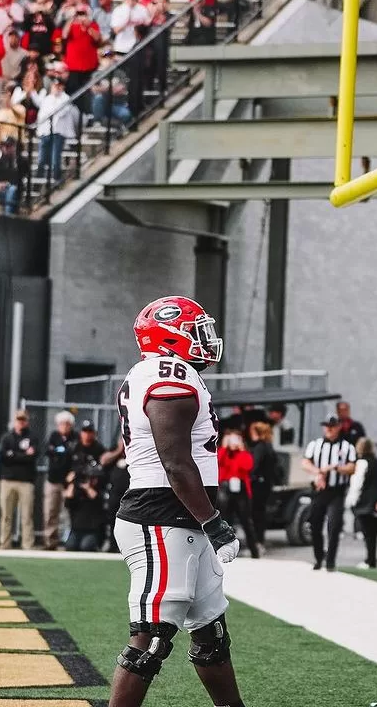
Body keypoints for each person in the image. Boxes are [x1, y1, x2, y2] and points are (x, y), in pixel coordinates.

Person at [110, 295, 246, 707]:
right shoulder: (169, 374)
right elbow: (175, 461)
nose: (205, 338)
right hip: (162, 515)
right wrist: (214, 522)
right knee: (150, 638)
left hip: (177, 515)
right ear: (170, 337)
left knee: (210, 633)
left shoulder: (164, 371)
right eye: (196, 330)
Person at [302, 414, 356, 571]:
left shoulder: (347, 447)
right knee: (314, 523)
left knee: (334, 525)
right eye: (327, 426)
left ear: (338, 427)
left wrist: (335, 467)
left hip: (336, 492)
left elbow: (352, 468)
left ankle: (331, 560)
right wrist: (318, 472)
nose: (329, 429)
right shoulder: (315, 445)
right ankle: (319, 557)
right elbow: (305, 462)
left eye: (332, 426)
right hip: (319, 490)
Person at [63, 421, 107, 551]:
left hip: (93, 492)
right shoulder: (74, 448)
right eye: (84, 432)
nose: (87, 435)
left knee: (86, 546)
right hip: (76, 494)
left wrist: (90, 486)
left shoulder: (99, 450)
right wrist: (70, 482)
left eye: (90, 432)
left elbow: (102, 473)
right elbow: (65, 470)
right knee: (71, 546)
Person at [0, 408, 36, 549]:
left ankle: (28, 546)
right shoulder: (7, 437)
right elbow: (3, 456)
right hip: (7, 480)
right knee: (6, 515)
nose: (21, 423)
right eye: (18, 420)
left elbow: (32, 456)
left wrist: (14, 454)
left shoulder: (32, 437)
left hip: (26, 481)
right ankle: (5, 544)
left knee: (26, 516)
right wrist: (23, 455)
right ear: (15, 421)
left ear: (27, 421)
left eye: (23, 420)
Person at [216, 430, 259, 559]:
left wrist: (241, 449)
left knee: (246, 521)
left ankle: (254, 551)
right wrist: (224, 445)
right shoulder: (223, 453)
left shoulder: (244, 454)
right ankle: (224, 549)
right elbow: (217, 461)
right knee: (225, 520)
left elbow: (247, 466)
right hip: (225, 489)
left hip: (240, 491)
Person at [43, 409, 77, 550]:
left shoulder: (75, 438)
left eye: (67, 424)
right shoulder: (54, 436)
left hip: (68, 482)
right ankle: (50, 542)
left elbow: (73, 456)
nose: (64, 426)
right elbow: (49, 452)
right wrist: (61, 452)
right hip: (53, 480)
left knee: (67, 513)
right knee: (50, 512)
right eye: (61, 424)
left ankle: (66, 540)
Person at [351, 436, 377, 569]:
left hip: (365, 504)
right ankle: (371, 559)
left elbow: (357, 484)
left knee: (367, 535)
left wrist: (352, 501)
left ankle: (369, 560)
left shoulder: (362, 463)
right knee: (373, 535)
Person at [247, 421, 278, 551]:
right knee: (260, 512)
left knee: (255, 513)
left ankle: (257, 542)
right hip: (266, 484)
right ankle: (260, 540)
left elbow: (254, 465)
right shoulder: (269, 446)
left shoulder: (259, 447)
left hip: (257, 484)